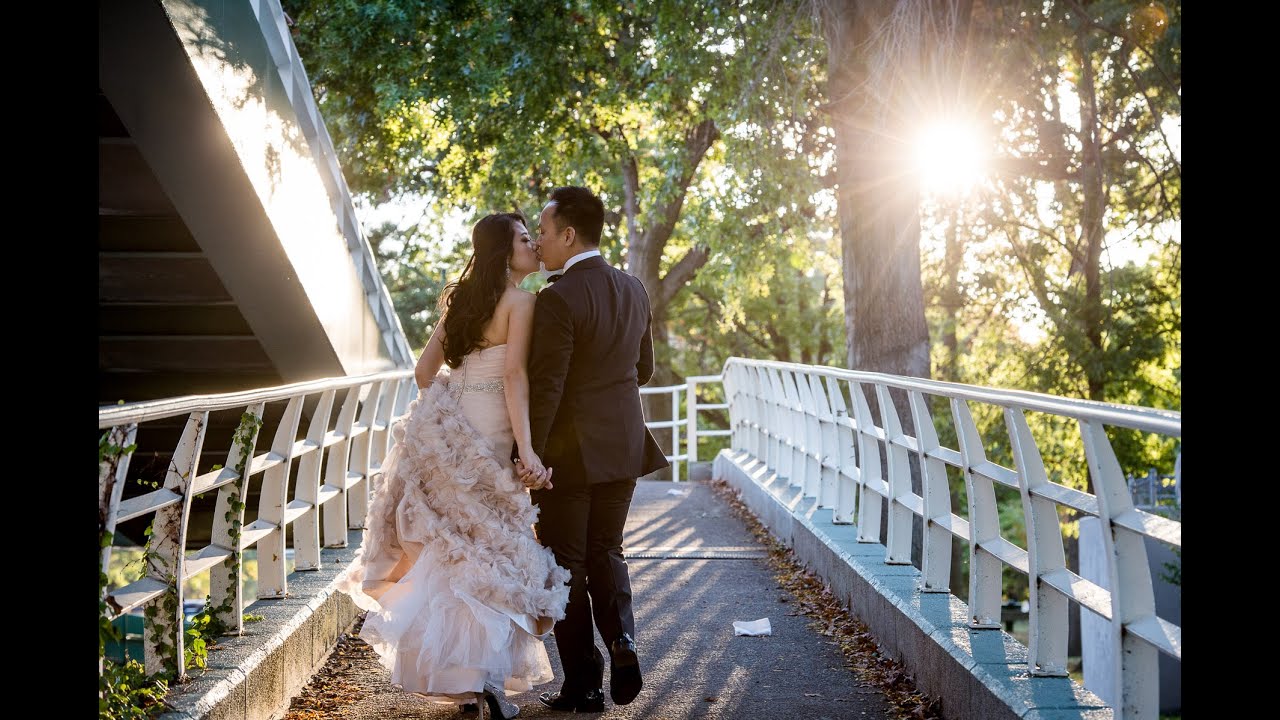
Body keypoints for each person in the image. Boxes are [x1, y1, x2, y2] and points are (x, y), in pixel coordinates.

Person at [343, 212, 570, 720]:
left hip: (450, 437)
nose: (533, 244)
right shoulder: (522, 302)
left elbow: (426, 373)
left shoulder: (462, 301)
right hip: (492, 435)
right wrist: (527, 451)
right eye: (524, 238)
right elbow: (515, 378)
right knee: (491, 548)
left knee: (452, 550)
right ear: (503, 251)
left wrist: (449, 414)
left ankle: (462, 683)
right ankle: (481, 675)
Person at [516, 186, 670, 713]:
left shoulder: (555, 299)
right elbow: (643, 369)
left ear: (567, 234)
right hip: (625, 444)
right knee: (608, 548)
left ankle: (583, 683)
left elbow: (549, 385)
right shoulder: (634, 289)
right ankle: (624, 640)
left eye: (542, 229)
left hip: (570, 453)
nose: (538, 239)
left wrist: (528, 453)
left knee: (567, 565)